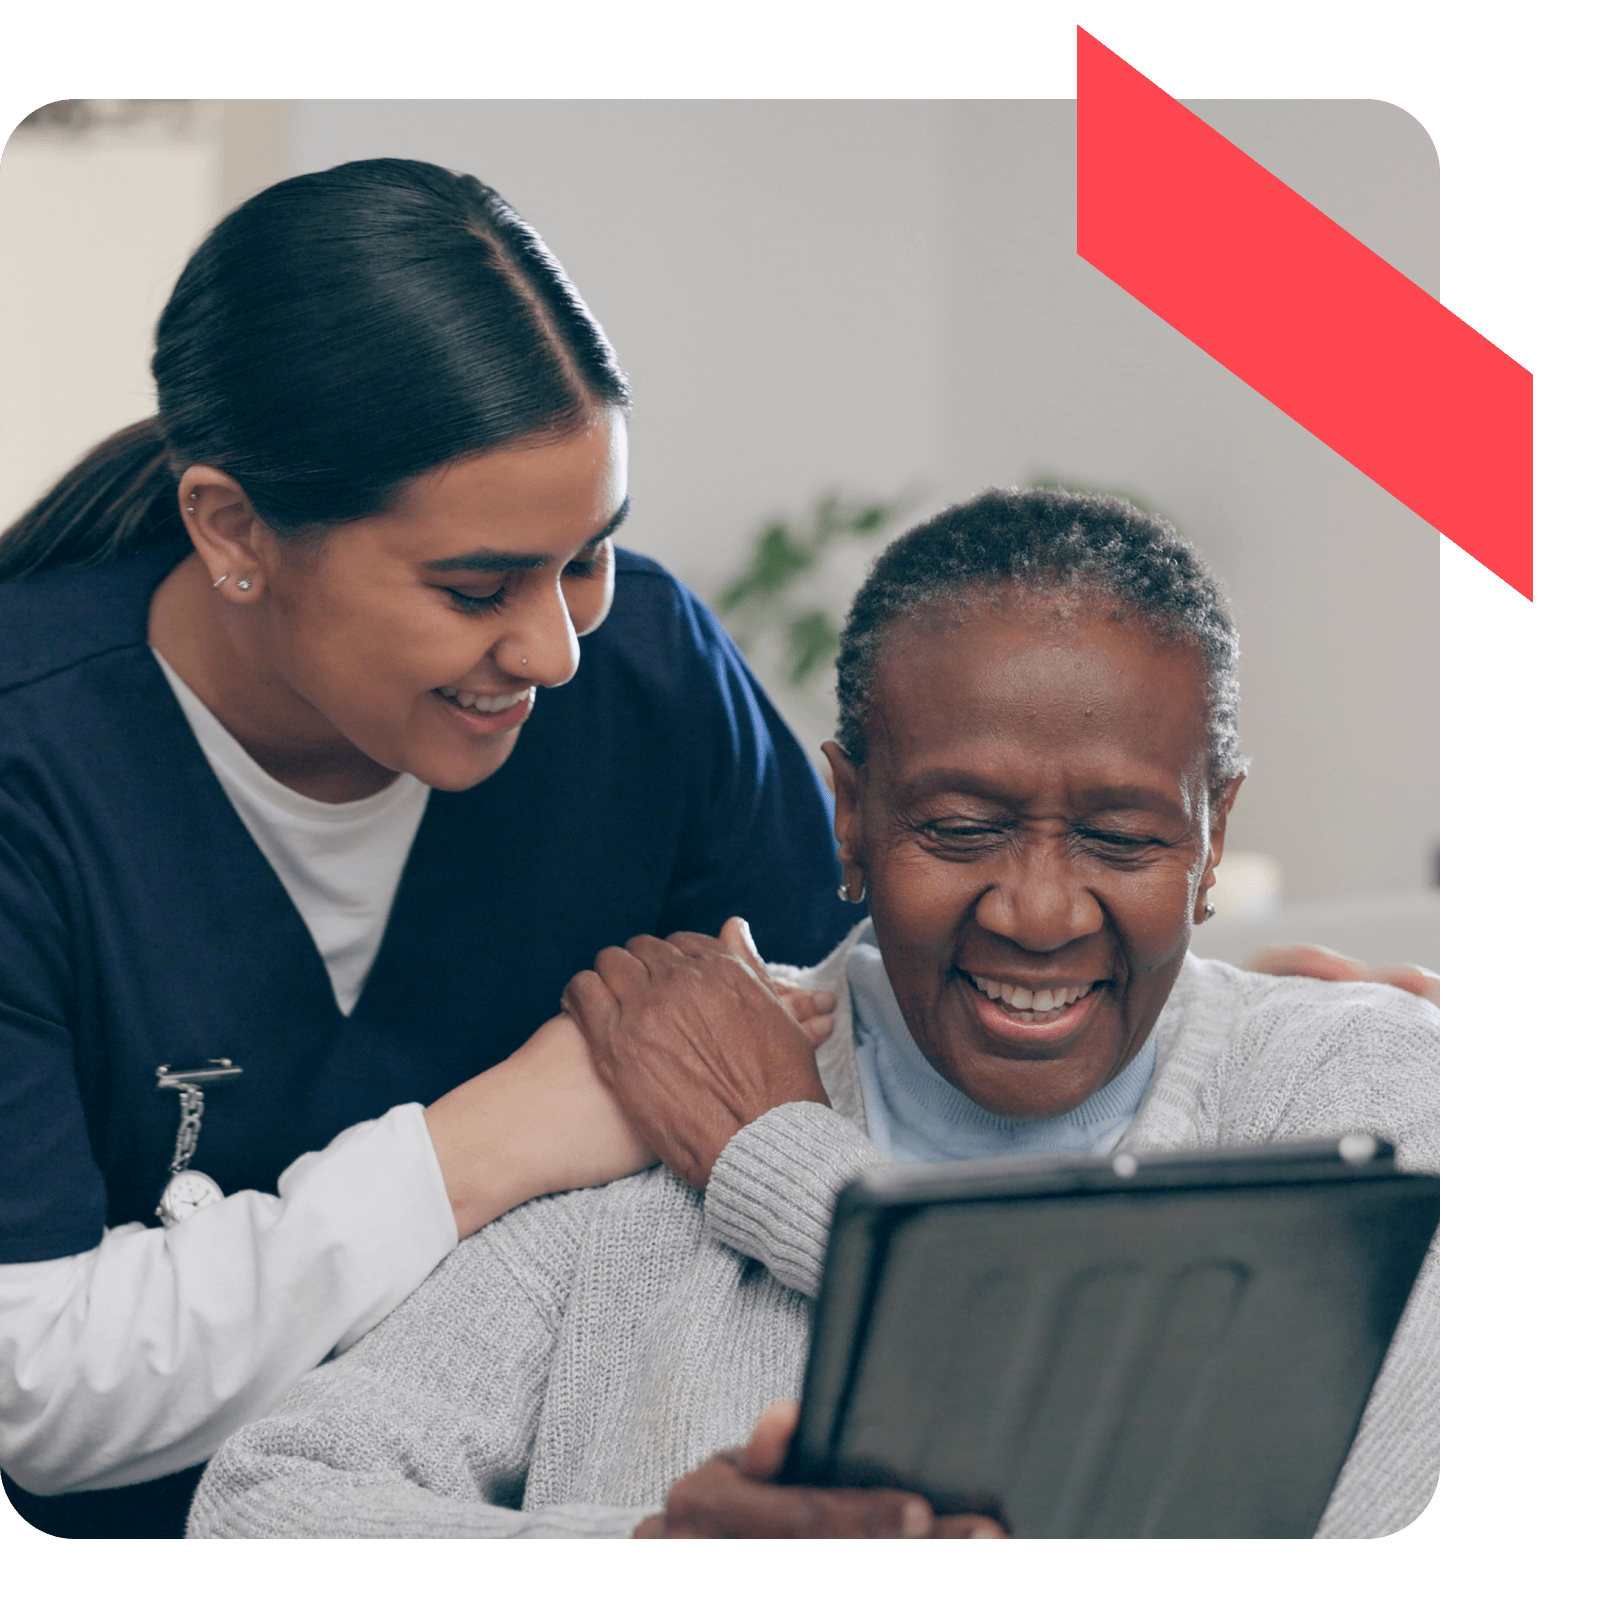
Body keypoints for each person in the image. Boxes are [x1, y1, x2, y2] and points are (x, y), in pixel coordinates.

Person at [186, 487, 1439, 1540]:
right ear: (849, 816)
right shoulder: (660, 1089)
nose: (1041, 912)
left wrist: (782, 1161)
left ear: (1214, 834)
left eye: (1122, 836)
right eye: (959, 829)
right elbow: (265, 1504)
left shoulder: (1363, 1095)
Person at [0, 158, 851, 1540]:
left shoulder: (652, 681)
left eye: (590, 556)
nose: (555, 649)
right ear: (233, 529)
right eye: (474, 589)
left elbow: (847, 1065)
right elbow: (35, 1384)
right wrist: (489, 1142)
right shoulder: (34, 772)